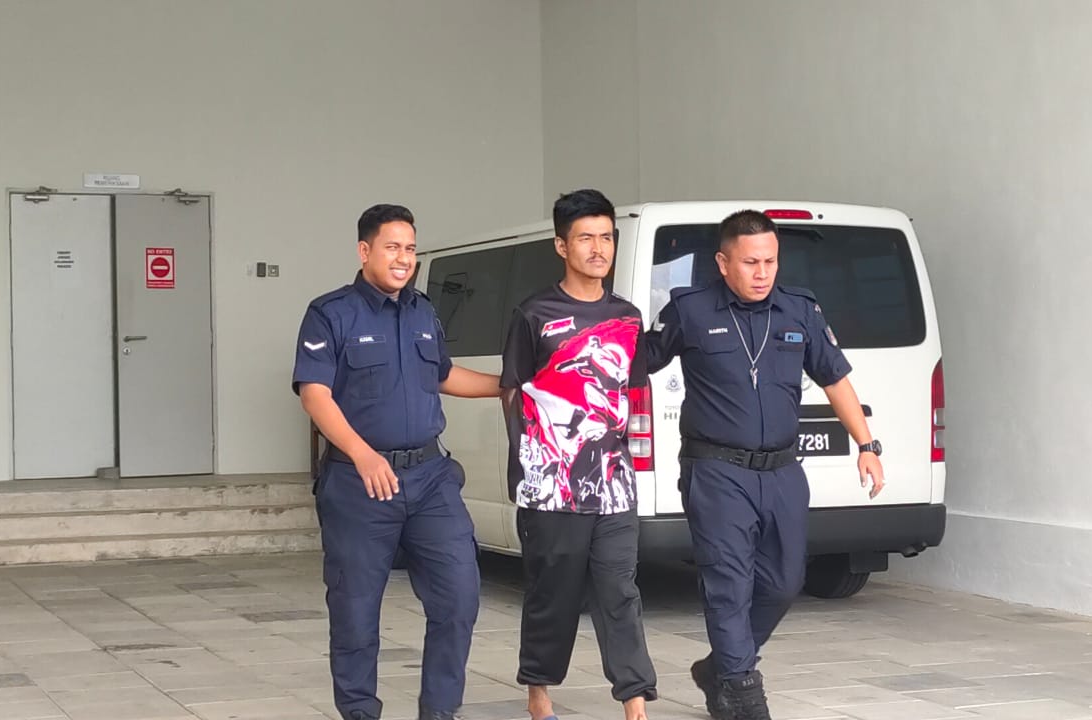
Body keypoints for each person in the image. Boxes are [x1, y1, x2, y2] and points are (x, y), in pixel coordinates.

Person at [645, 209, 886, 720]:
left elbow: (834, 379)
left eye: (770, 262)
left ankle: (721, 667)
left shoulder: (799, 310)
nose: (762, 273)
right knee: (729, 584)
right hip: (716, 470)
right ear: (723, 263)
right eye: (750, 262)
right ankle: (742, 694)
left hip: (781, 472)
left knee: (783, 581)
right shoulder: (689, 309)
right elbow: (636, 362)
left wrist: (867, 445)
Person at [291, 204, 500, 720]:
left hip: (430, 480)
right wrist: (362, 454)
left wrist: (509, 386)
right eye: (392, 247)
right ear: (365, 251)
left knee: (458, 598)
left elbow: (443, 375)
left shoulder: (423, 311)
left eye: (410, 248)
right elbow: (315, 393)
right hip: (360, 483)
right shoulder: (331, 313)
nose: (404, 258)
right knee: (355, 613)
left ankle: (440, 712)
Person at [500, 189, 658, 720]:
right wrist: (528, 465)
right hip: (551, 485)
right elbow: (512, 392)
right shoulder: (534, 314)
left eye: (606, 237)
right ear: (561, 246)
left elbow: (631, 394)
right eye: (586, 237)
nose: (598, 248)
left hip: (613, 484)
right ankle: (539, 694)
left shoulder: (627, 318)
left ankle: (635, 701)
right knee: (554, 594)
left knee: (619, 590)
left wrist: (634, 463)